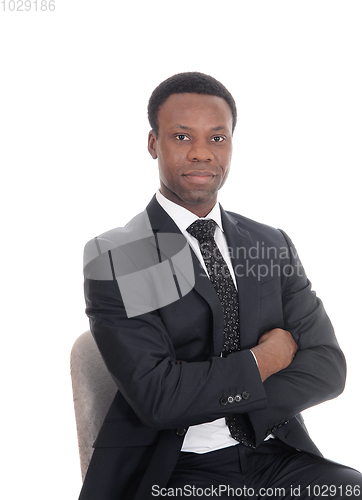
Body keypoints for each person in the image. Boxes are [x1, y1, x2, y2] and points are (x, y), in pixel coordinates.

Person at [80, 72, 361, 499]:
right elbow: (161, 400)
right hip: (176, 470)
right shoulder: (125, 253)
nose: (201, 154)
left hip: (274, 452)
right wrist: (266, 358)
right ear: (154, 143)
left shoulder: (269, 243)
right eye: (181, 136)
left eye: (217, 138)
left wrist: (240, 412)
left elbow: (327, 367)